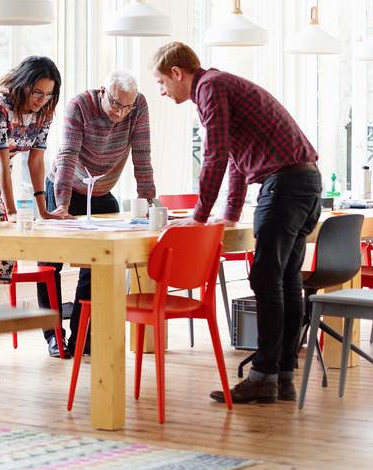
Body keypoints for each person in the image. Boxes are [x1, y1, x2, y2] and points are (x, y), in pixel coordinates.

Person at [150, 41, 321, 405]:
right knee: (287, 279)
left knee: (265, 278)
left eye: (162, 82)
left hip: (285, 186)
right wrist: (228, 213)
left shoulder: (210, 88)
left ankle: (262, 377)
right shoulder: (221, 85)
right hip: (306, 182)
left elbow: (214, 155)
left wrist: (198, 217)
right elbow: (236, 158)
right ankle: (282, 377)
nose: (162, 92)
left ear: (177, 72)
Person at [39, 69, 156, 358]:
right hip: (66, 187)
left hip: (101, 192)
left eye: (126, 106)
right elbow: (67, 155)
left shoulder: (137, 106)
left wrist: (149, 204)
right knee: (50, 264)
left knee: (97, 264)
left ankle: (82, 336)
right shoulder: (80, 106)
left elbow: (142, 156)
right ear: (102, 91)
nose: (120, 113)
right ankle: (54, 336)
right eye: (116, 104)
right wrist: (62, 205)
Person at [0, 55, 64, 369]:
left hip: (0, 188)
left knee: (1, 266)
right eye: (37, 92)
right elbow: (4, 164)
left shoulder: (44, 112)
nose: (42, 99)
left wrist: (43, 209)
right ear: (23, 85)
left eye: (49, 94)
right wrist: (10, 211)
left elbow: (35, 161)